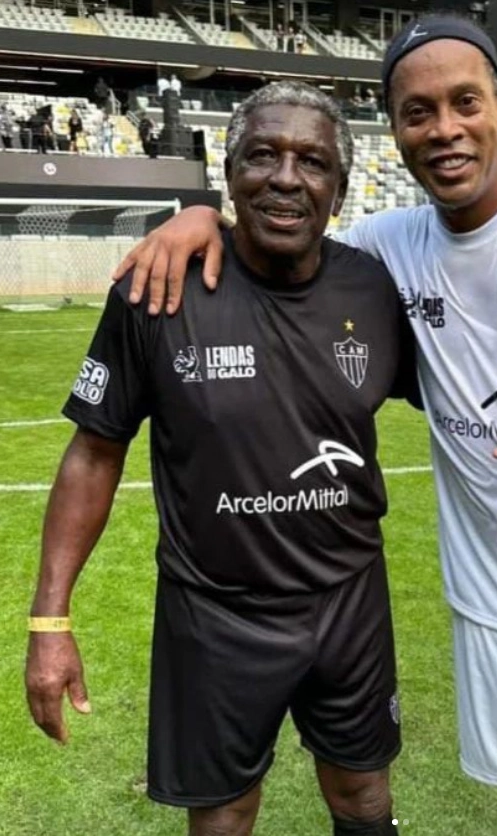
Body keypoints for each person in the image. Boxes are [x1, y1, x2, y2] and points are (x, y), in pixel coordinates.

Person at [113, 14, 497, 836]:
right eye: (416, 112)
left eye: (464, 102)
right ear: (394, 131)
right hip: (493, 604)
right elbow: (284, 221)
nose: (444, 129)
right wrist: (200, 217)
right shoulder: (384, 250)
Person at [25, 82, 419, 836]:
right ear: (229, 172)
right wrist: (50, 622)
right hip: (214, 615)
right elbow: (95, 451)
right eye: (261, 155)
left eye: (311, 161)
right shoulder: (157, 290)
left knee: (363, 796)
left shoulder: (370, 288)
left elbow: (461, 396)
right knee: (224, 818)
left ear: (337, 189)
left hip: (349, 601)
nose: (284, 177)